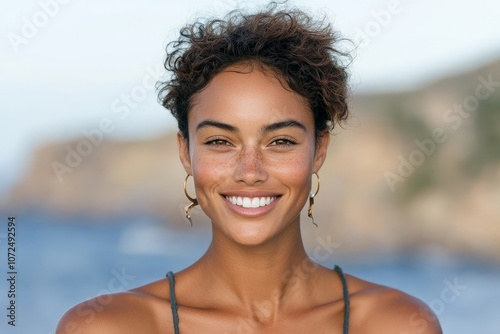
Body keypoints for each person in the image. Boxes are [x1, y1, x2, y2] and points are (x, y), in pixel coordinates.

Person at [57, 2, 442, 333]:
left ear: (319, 149)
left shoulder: (394, 324)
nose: (250, 170)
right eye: (220, 142)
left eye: (281, 141)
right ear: (186, 152)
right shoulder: (107, 326)